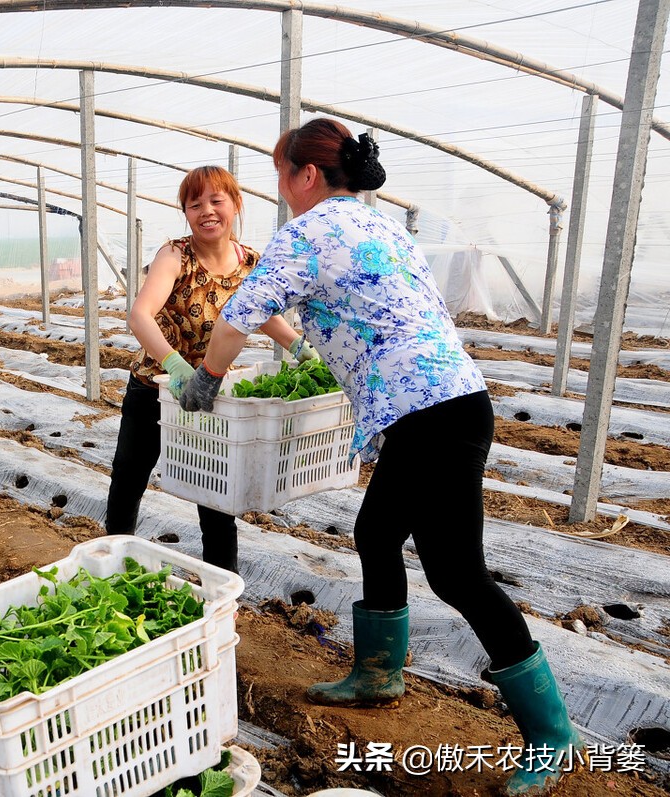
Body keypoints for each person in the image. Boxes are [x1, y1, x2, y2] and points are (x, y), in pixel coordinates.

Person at [179, 118, 579, 796]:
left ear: (307, 175)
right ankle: (377, 673)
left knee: (457, 572)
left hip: (434, 415)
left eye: (281, 173)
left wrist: (207, 380)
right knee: (376, 531)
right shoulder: (381, 224)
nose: (280, 188)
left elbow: (236, 317)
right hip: (444, 403)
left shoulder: (307, 231)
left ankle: (551, 733)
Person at [104, 165, 309, 574]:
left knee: (216, 495)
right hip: (157, 388)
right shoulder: (175, 254)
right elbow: (140, 315)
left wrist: (300, 348)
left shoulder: (250, 261)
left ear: (235, 205)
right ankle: (111, 563)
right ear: (185, 212)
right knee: (129, 478)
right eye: (195, 204)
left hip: (212, 394)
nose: (207, 211)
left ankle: (222, 589)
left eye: (217, 201)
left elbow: (262, 314)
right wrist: (175, 365)